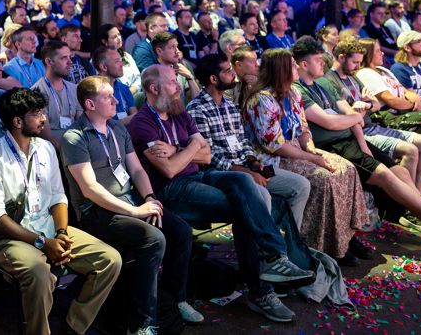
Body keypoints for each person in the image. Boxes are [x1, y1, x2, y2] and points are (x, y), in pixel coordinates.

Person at [129, 64, 316, 323]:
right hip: (171, 190)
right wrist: (192, 145)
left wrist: (178, 148)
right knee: (244, 209)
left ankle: (274, 257)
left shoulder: (179, 112)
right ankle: (262, 289)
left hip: (200, 175)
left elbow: (206, 156)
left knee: (242, 181)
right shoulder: (142, 123)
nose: (179, 87)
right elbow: (170, 169)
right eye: (173, 82)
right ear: (153, 88)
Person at [289, 36, 421, 257]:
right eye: (318, 60)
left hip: (354, 140)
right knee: (388, 175)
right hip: (334, 146)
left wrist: (361, 139)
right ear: (304, 65)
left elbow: (356, 118)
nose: (323, 63)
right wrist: (353, 118)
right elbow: (330, 122)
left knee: (401, 172)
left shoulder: (322, 85)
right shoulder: (299, 90)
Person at [0, 87, 122, 335]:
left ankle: (73, 326)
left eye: (43, 111)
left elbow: (58, 196)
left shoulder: (45, 148)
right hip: (9, 239)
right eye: (37, 113)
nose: (44, 118)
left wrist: (62, 233)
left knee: (110, 260)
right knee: (39, 274)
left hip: (48, 229)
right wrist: (43, 243)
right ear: (18, 121)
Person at [61, 75, 201, 332]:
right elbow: (90, 189)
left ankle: (172, 300)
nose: (116, 100)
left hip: (130, 202)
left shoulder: (117, 128)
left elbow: (136, 170)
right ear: (90, 105)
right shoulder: (75, 137)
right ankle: (140, 324)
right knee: (153, 239)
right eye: (108, 96)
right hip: (97, 212)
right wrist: (135, 211)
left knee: (180, 232)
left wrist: (149, 198)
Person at [240, 48, 370, 264]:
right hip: (272, 159)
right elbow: (274, 146)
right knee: (325, 178)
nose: (296, 67)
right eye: (292, 64)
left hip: (297, 150)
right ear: (281, 70)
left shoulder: (294, 92)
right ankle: (314, 243)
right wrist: (312, 159)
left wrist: (311, 150)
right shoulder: (262, 99)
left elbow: (302, 129)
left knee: (346, 168)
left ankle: (345, 237)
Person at [188, 54, 313, 226]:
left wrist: (253, 162)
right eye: (228, 70)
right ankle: (267, 249)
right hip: (219, 172)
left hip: (245, 166)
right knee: (262, 193)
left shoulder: (230, 105)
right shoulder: (197, 109)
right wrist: (248, 173)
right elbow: (210, 156)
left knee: (301, 185)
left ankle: (290, 244)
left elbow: (243, 141)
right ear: (213, 79)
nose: (233, 73)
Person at [323, 39, 421, 192]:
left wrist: (366, 104)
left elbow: (374, 105)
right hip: (359, 133)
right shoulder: (330, 81)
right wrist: (364, 105)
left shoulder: (353, 75)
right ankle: (410, 202)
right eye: (355, 62)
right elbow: (350, 117)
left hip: (372, 126)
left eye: (360, 62)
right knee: (411, 150)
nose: (358, 67)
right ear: (341, 57)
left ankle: (416, 197)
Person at [31, 41, 82, 148]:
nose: (70, 62)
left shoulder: (74, 89)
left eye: (69, 57)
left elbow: (81, 124)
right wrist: (71, 155)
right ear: (49, 62)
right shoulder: (36, 93)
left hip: (77, 147)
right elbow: (46, 136)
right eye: (64, 58)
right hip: (54, 153)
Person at [91, 46, 138, 126]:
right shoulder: (93, 91)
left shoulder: (124, 88)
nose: (122, 64)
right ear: (103, 67)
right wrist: (124, 121)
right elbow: (103, 125)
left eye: (121, 60)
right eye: (117, 61)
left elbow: (136, 117)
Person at [152, 32, 201, 105]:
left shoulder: (180, 70)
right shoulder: (150, 74)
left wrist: (189, 77)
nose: (177, 51)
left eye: (177, 47)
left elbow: (197, 100)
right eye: (172, 47)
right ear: (159, 51)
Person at [99, 23, 140, 94]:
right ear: (104, 41)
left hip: (133, 93)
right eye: (114, 37)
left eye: (119, 34)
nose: (119, 38)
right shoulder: (99, 59)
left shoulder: (126, 55)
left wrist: (134, 88)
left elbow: (138, 77)